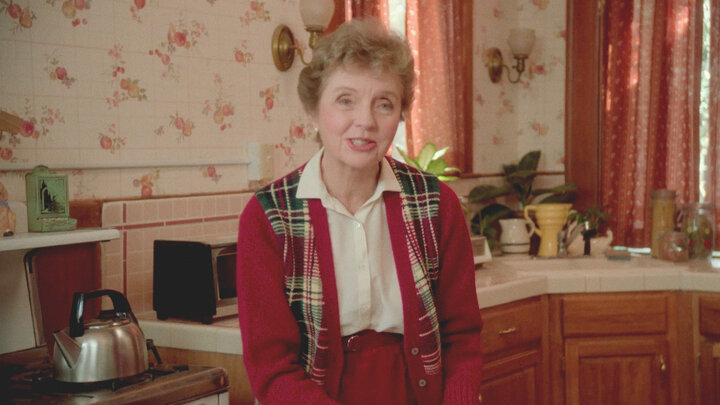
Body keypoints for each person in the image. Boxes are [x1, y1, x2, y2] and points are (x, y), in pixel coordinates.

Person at [236, 18, 483, 405]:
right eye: (345, 100)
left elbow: (462, 337)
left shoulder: (436, 204)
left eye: (384, 104)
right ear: (314, 111)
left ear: (400, 115)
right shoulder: (269, 217)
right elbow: (271, 368)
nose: (365, 121)